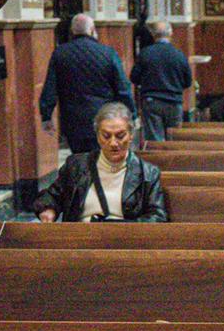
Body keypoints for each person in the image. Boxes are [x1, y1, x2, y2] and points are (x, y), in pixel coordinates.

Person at [35, 102, 168, 222]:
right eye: (106, 136)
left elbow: (157, 216)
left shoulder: (147, 173)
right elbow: (51, 195)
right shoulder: (77, 165)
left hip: (124, 243)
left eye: (120, 136)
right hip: (79, 240)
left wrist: (122, 228)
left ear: (131, 135)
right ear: (97, 136)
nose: (113, 143)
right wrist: (48, 208)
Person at [38, 13, 137, 154]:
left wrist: (46, 115)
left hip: (72, 119)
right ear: (92, 30)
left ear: (72, 31)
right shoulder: (108, 54)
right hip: (104, 117)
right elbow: (123, 88)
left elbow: (50, 88)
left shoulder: (60, 54)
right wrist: (131, 114)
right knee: (103, 159)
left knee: (80, 159)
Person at [128, 20, 192, 142]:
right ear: (171, 33)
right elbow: (188, 81)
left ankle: (156, 161)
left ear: (153, 34)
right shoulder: (179, 55)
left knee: (154, 140)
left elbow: (134, 77)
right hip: (174, 101)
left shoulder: (145, 53)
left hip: (152, 100)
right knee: (174, 139)